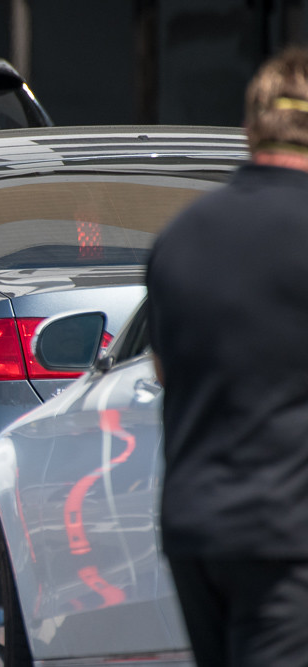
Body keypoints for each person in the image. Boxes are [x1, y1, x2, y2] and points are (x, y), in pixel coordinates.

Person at [147, 47, 308, 667]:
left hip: (195, 532)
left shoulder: (180, 236)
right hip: (287, 534)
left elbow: (162, 369)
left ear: (251, 128)